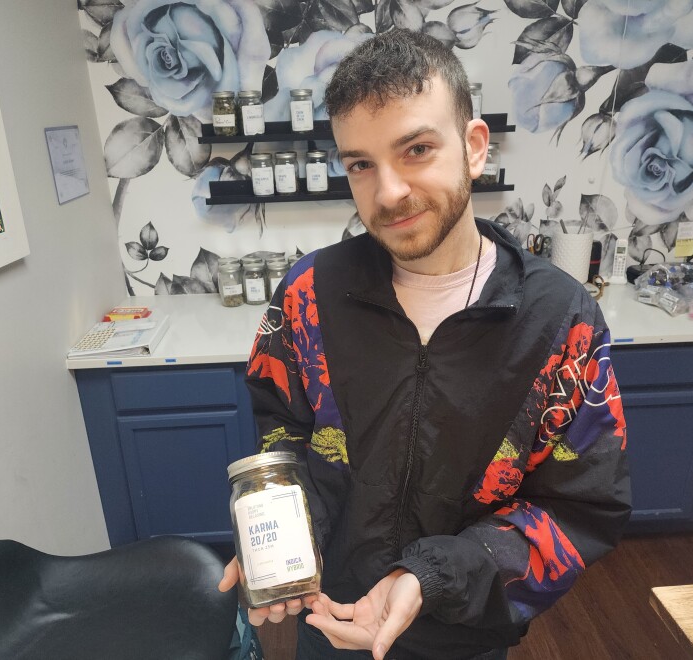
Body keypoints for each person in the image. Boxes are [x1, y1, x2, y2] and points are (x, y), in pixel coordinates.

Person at [219, 29, 631, 660]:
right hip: (329, 616)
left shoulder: (561, 323)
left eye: (416, 149)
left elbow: (579, 511)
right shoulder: (307, 295)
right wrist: (277, 539)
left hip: (467, 631)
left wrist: (428, 578)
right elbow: (285, 436)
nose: (387, 193)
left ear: (473, 148)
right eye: (361, 164)